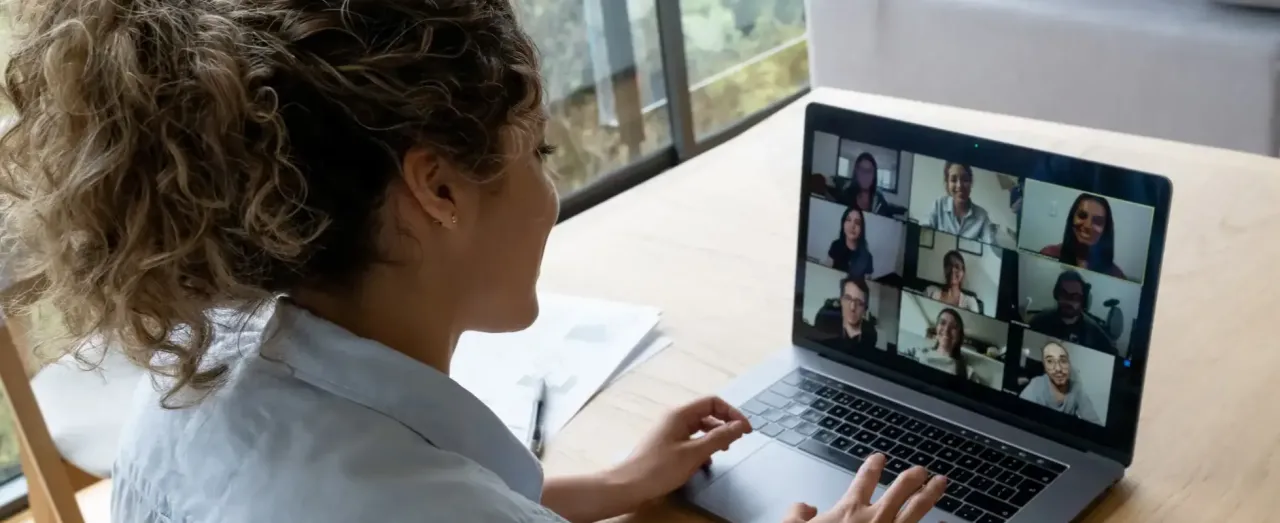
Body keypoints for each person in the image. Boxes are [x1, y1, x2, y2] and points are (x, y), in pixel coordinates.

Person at [0, 0, 947, 521]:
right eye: (537, 150)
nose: (550, 194)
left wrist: (608, 483)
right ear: (438, 189)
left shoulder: (195, 386)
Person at [1038, 193, 1126, 279]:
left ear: (1105, 230)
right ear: (1072, 219)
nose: (1088, 225)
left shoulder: (1116, 275)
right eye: (1082, 216)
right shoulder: (1049, 254)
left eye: (1098, 221)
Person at [1028, 271, 1117, 355]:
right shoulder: (1039, 321)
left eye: (1075, 296)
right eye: (1064, 294)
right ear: (1057, 294)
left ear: (1083, 300)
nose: (1069, 301)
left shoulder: (1094, 333)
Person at [1019, 341, 1102, 425]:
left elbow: (1095, 424)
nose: (1058, 368)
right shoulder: (1036, 385)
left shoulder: (1077, 389)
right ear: (1045, 368)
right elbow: (1018, 414)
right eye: (1050, 361)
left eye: (1063, 360)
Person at [900, 309, 982, 385]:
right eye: (942, 323)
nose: (946, 330)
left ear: (959, 336)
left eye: (953, 327)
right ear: (936, 328)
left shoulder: (968, 374)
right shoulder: (915, 352)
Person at [925, 163, 996, 244]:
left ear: (971, 182)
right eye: (953, 180)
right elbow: (924, 234)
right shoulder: (938, 205)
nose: (959, 185)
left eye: (965, 179)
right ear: (947, 184)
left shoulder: (982, 215)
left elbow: (991, 243)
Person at [826, 207, 874, 278]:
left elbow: (868, 284)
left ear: (862, 229)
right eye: (848, 220)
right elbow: (826, 272)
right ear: (843, 224)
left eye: (857, 223)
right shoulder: (835, 246)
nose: (852, 226)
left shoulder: (868, 257)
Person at [837, 278, 878, 352]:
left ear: (865, 309)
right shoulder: (830, 324)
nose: (852, 307)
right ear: (841, 301)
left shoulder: (870, 334)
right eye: (848, 299)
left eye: (859, 303)